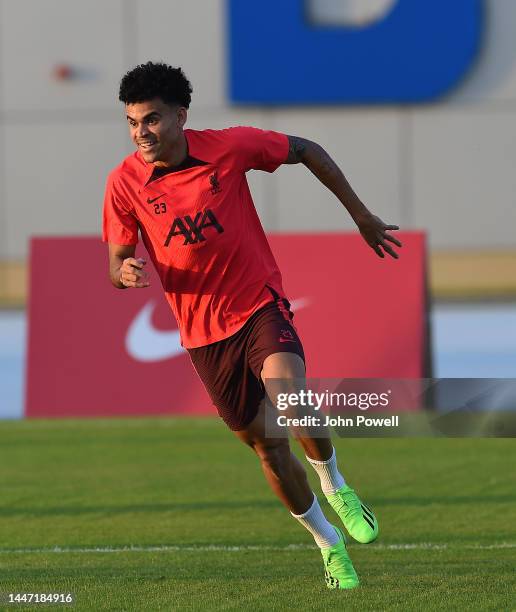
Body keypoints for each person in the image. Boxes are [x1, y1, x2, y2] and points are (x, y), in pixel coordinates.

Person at [102, 62, 402, 590]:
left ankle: (336, 485)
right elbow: (116, 258)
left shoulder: (230, 147)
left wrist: (361, 216)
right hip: (202, 334)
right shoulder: (125, 182)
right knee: (268, 448)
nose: (140, 133)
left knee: (289, 397)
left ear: (180, 116)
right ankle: (329, 546)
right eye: (132, 123)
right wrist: (122, 273)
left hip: (258, 304)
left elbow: (306, 149)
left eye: (151, 120)